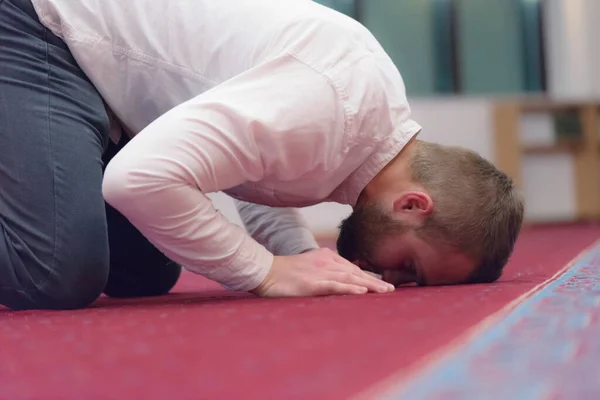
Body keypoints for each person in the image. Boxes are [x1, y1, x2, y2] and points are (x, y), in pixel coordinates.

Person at [0, 0, 524, 311]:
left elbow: (256, 170)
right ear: (412, 205)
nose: (392, 279)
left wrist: (296, 256)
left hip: (101, 72)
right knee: (54, 271)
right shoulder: (329, 108)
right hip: (46, 25)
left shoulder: (366, 119)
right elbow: (136, 180)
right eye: (409, 267)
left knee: (146, 275)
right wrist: (265, 271)